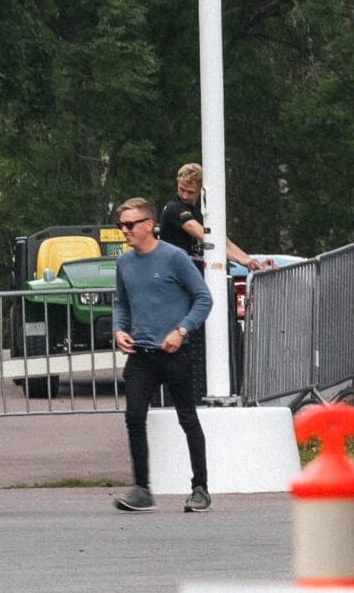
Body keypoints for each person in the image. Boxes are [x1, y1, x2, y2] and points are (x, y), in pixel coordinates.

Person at [109, 196, 212, 512]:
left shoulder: (175, 258)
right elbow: (121, 303)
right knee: (134, 416)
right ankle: (142, 487)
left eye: (129, 225)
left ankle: (200, 487)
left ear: (149, 225)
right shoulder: (124, 263)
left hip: (174, 353)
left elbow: (203, 298)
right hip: (141, 355)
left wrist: (181, 330)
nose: (124, 231)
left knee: (187, 418)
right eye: (120, 225)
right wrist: (119, 330)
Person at [156, 161, 262, 273]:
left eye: (190, 192)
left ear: (201, 190)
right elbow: (205, 236)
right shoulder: (174, 208)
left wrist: (250, 261)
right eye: (181, 189)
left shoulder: (201, 209)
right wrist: (242, 260)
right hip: (174, 275)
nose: (185, 196)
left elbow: (220, 238)